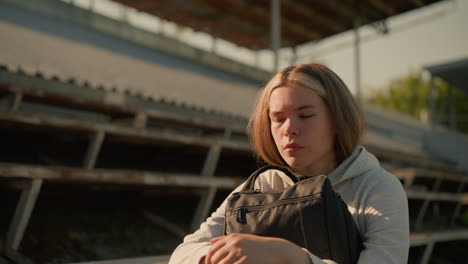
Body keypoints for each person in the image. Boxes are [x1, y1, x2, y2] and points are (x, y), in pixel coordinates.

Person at [168, 64, 409, 264]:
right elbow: (182, 254)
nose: (289, 129)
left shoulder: (378, 187)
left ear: (337, 120)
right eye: (278, 118)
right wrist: (218, 255)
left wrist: (290, 256)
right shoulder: (258, 188)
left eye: (305, 115)